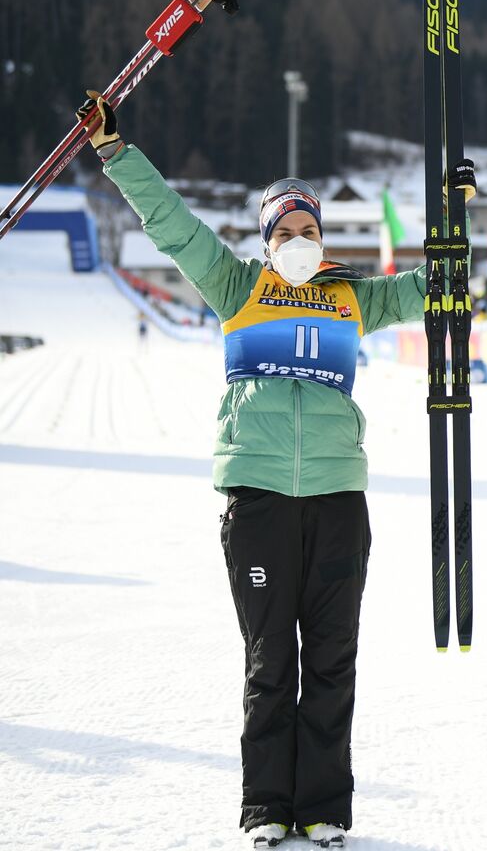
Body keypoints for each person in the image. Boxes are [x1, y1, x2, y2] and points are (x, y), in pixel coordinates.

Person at [77, 89, 436, 850]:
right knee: (271, 659)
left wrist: (452, 226)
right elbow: (172, 226)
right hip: (259, 503)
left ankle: (326, 807)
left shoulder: (350, 299)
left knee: (332, 660)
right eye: (288, 230)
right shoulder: (236, 288)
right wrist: (116, 152)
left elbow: (428, 289)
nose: (301, 239)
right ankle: (267, 804)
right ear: (268, 237)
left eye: (311, 228)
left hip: (339, 499)